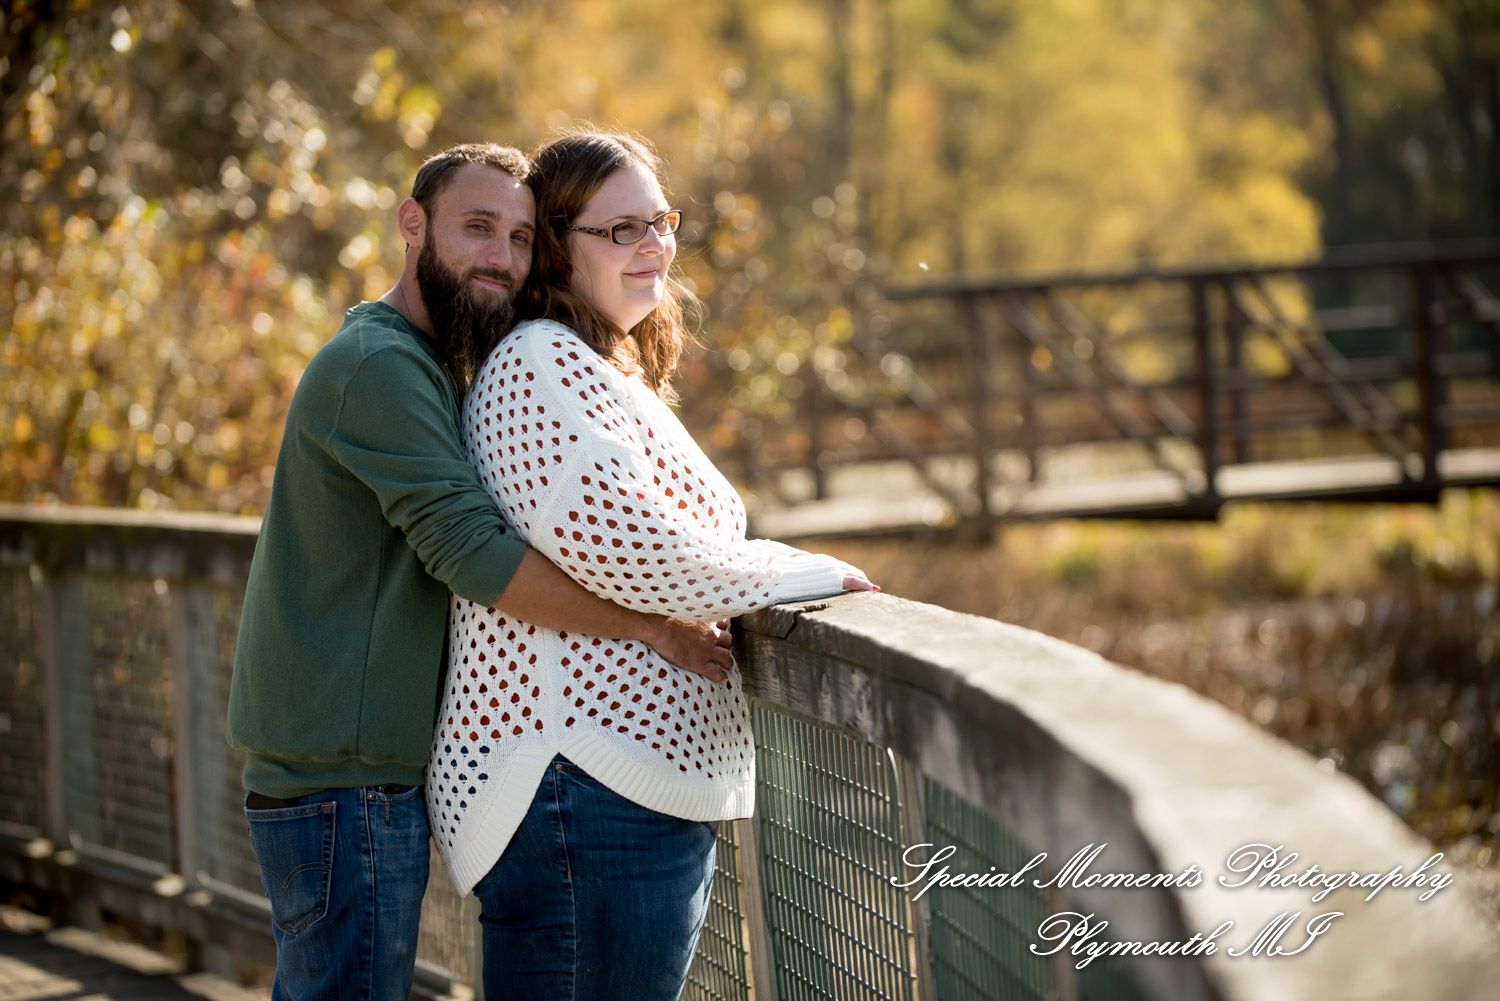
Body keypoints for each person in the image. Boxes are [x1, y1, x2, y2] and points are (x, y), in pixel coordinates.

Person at [226, 142, 736, 1001]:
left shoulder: (431, 363)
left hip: (361, 774)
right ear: (412, 223)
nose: (501, 256)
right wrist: (654, 628)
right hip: (339, 781)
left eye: (521, 237)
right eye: (477, 228)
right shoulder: (377, 365)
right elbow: (471, 553)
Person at [428, 130, 876, 1001]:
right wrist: (803, 574)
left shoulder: (596, 368)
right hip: (579, 788)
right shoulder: (537, 365)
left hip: (612, 794)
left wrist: (782, 565)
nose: (655, 247)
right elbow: (634, 546)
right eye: (622, 230)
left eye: (661, 222)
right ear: (557, 245)